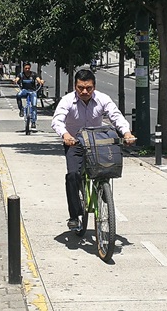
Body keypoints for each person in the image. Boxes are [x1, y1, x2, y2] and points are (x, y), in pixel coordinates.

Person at [51, 69, 135, 230]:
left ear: (94, 87)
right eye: (80, 87)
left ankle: (104, 192)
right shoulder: (67, 100)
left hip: (98, 142)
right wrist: (65, 135)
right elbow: (57, 120)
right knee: (73, 175)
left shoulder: (103, 99)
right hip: (74, 143)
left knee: (108, 167)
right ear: (75, 86)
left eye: (88, 88)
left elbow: (116, 116)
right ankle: (74, 216)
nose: (84, 91)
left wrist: (127, 132)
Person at [13, 62, 44, 128]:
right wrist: (15, 80)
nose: (27, 70)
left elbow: (38, 79)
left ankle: (33, 122)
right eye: (26, 68)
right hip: (24, 90)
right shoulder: (21, 75)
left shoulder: (33, 74)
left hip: (32, 91)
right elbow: (17, 79)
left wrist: (40, 81)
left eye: (28, 68)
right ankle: (21, 109)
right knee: (18, 95)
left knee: (34, 105)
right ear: (23, 68)